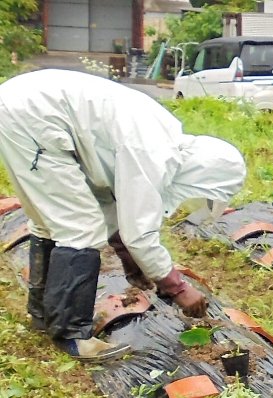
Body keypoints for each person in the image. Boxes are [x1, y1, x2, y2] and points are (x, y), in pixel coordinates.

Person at [0, 69, 247, 361]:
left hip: (26, 105)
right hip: (35, 114)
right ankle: (70, 335)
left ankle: (43, 316)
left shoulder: (159, 140)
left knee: (50, 221)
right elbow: (139, 233)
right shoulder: (156, 153)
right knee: (79, 227)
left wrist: (131, 261)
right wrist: (177, 287)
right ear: (208, 178)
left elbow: (111, 204)